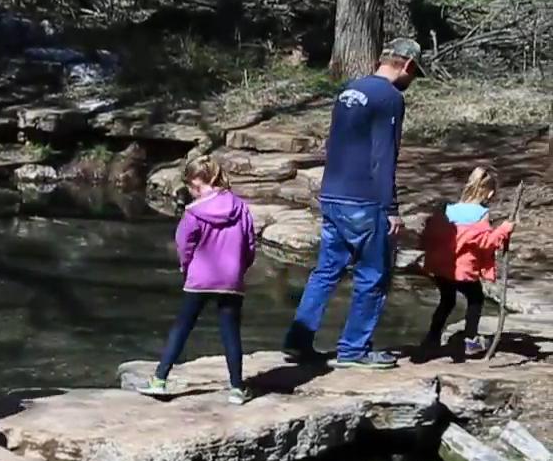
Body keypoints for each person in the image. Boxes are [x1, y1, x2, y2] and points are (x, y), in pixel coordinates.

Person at [282, 38, 422, 369]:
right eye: (414, 75)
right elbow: (383, 154)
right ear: (407, 66)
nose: (411, 83)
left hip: (332, 194)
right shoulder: (390, 98)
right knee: (373, 275)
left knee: (326, 271)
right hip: (365, 200)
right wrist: (391, 209)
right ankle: (354, 350)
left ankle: (298, 342)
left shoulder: (349, 90)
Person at [136, 155, 257, 405]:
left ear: (196, 183)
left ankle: (160, 379)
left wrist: (186, 266)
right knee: (231, 332)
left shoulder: (194, 212)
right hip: (231, 279)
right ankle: (236, 388)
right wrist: (239, 269)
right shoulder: (240, 207)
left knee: (183, 327)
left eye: (191, 188)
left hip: (200, 278)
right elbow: (250, 244)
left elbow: (184, 244)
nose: (191, 193)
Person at [415, 167, 515, 361]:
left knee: (447, 301)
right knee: (476, 299)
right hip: (462, 270)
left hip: (441, 268)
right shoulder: (480, 214)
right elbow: (486, 242)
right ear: (490, 192)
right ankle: (470, 340)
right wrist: (504, 230)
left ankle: (432, 338)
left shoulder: (448, 210)